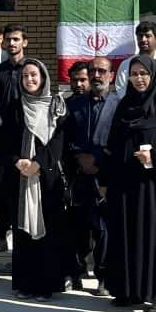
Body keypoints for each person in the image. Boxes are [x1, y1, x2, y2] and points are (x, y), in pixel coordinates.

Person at [102, 55, 156, 312]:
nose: (139, 79)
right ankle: (130, 291)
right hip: (126, 185)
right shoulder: (124, 106)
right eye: (134, 74)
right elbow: (113, 146)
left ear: (154, 75)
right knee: (127, 234)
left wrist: (155, 157)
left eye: (144, 73)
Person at [1, 58, 67, 301]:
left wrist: (38, 163)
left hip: (47, 178)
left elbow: (59, 140)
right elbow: (5, 141)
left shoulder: (55, 105)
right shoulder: (15, 106)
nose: (29, 79)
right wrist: (17, 162)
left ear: (43, 77)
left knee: (49, 231)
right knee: (23, 233)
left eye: (33, 75)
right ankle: (25, 284)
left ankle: (45, 285)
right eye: (25, 76)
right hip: (20, 178)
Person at [61, 56, 117, 296]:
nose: (96, 75)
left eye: (102, 71)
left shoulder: (119, 105)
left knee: (104, 229)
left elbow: (121, 141)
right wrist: (79, 158)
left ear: (111, 75)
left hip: (106, 176)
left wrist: (98, 161)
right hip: (79, 175)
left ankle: (104, 277)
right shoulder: (74, 105)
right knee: (78, 225)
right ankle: (75, 273)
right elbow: (66, 138)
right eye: (93, 71)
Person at [0, 23, 29, 253]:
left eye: (16, 39)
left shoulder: (32, 70)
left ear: (24, 42)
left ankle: (23, 238)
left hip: (26, 141)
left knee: (24, 191)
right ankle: (0, 234)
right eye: (9, 39)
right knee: (0, 189)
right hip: (1, 142)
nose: (12, 43)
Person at [114, 21, 156, 97]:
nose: (143, 39)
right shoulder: (126, 64)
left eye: (147, 36)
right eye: (140, 36)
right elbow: (121, 90)